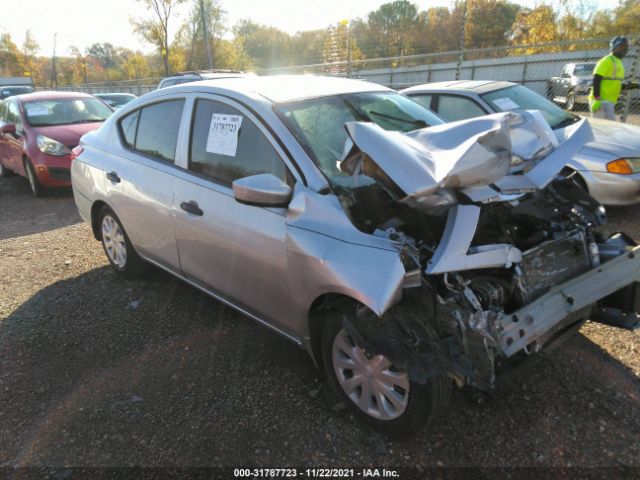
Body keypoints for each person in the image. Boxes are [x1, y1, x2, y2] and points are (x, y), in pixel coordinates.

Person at [589, 36, 639, 121]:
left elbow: (615, 83)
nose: (625, 50)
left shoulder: (618, 62)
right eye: (623, 47)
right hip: (601, 101)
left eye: (626, 47)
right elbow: (596, 79)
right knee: (604, 129)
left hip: (609, 101)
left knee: (609, 129)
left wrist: (631, 85)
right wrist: (597, 98)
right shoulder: (607, 60)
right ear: (615, 47)